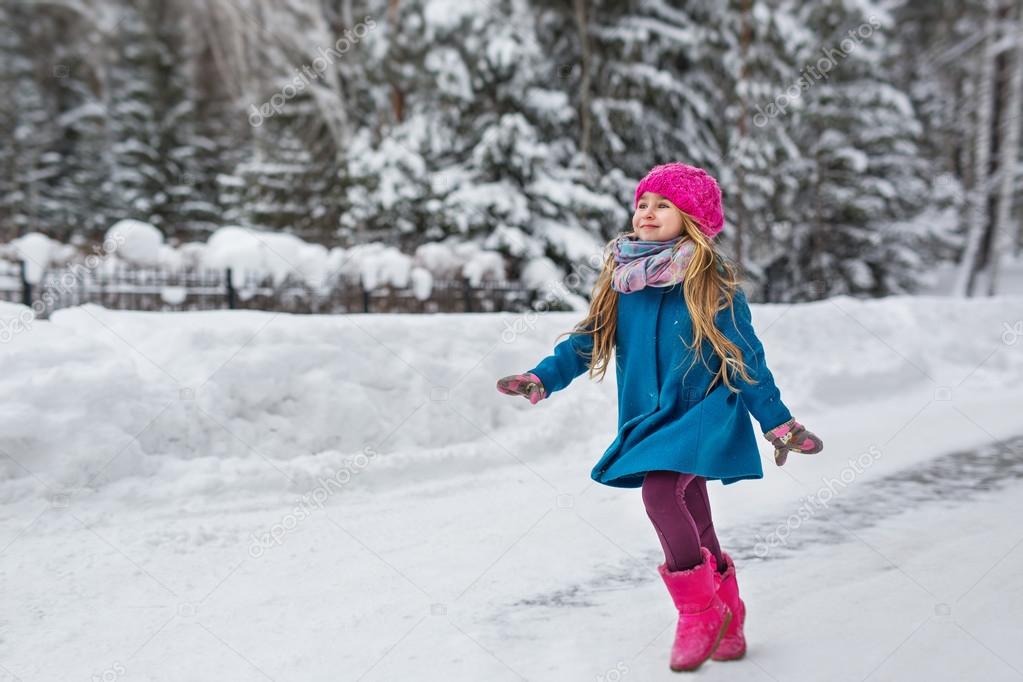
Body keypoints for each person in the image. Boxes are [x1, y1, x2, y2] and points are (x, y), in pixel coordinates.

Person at [496, 162, 823, 672]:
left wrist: (779, 425)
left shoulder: (711, 286)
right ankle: (730, 613)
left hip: (701, 410)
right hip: (650, 417)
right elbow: (589, 340)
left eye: (663, 205)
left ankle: (698, 613)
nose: (647, 213)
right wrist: (543, 377)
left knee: (658, 494)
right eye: (643, 203)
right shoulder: (623, 280)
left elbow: (746, 359)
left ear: (691, 219)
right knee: (692, 511)